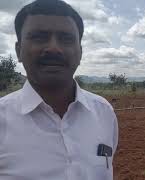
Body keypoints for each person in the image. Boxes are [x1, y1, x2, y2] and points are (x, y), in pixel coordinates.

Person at [0, 0, 118, 179]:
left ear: (80, 51)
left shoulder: (104, 112)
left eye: (66, 39)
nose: (53, 48)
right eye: (39, 37)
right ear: (18, 51)